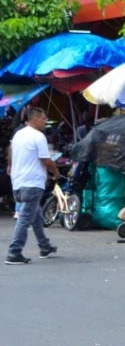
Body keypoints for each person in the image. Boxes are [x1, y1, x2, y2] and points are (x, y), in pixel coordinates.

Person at [6, 108, 58, 265]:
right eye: (44, 119)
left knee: (35, 215)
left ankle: (45, 246)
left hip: (18, 181)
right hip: (32, 182)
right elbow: (45, 160)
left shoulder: (19, 134)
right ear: (35, 119)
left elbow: (10, 151)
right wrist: (55, 172)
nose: (45, 122)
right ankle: (14, 252)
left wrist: (11, 167)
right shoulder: (38, 136)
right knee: (24, 218)